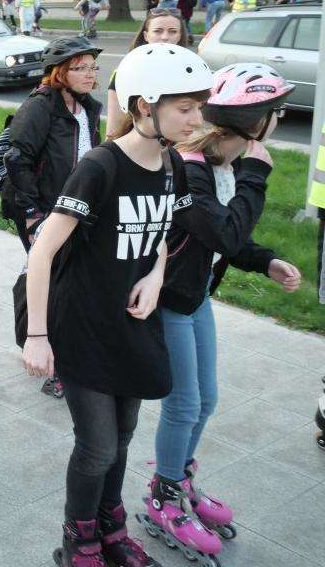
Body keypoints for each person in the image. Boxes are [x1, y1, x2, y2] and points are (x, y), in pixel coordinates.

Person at [23, 43, 214, 567]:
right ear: (144, 106)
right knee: (97, 447)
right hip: (82, 322)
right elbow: (43, 250)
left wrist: (155, 277)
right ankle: (78, 542)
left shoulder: (172, 163)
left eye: (199, 105)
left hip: (132, 322)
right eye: (185, 107)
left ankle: (111, 531)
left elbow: (161, 235)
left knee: (125, 436)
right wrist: (37, 335)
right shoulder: (101, 165)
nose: (197, 117)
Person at [143, 63, 301, 562]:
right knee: (185, 404)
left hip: (195, 295)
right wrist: (258, 173)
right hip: (168, 299)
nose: (279, 119)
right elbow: (223, 231)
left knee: (207, 400)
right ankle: (164, 497)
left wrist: (265, 260)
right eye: (276, 111)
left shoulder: (222, 166)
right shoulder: (190, 168)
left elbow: (229, 237)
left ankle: (178, 479)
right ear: (260, 120)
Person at [1, 36, 102, 400]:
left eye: (93, 67)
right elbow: (17, 159)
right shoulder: (41, 106)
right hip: (42, 207)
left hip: (76, 208)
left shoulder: (88, 107)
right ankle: (54, 364)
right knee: (57, 283)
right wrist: (32, 213)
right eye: (81, 67)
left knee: (69, 281)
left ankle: (59, 350)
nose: (90, 74)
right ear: (60, 72)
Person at [105, 9, 192, 134]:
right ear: (146, 36)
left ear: (179, 36)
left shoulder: (191, 72)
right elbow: (113, 127)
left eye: (172, 31)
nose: (165, 37)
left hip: (179, 148)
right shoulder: (125, 72)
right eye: (158, 31)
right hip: (136, 146)